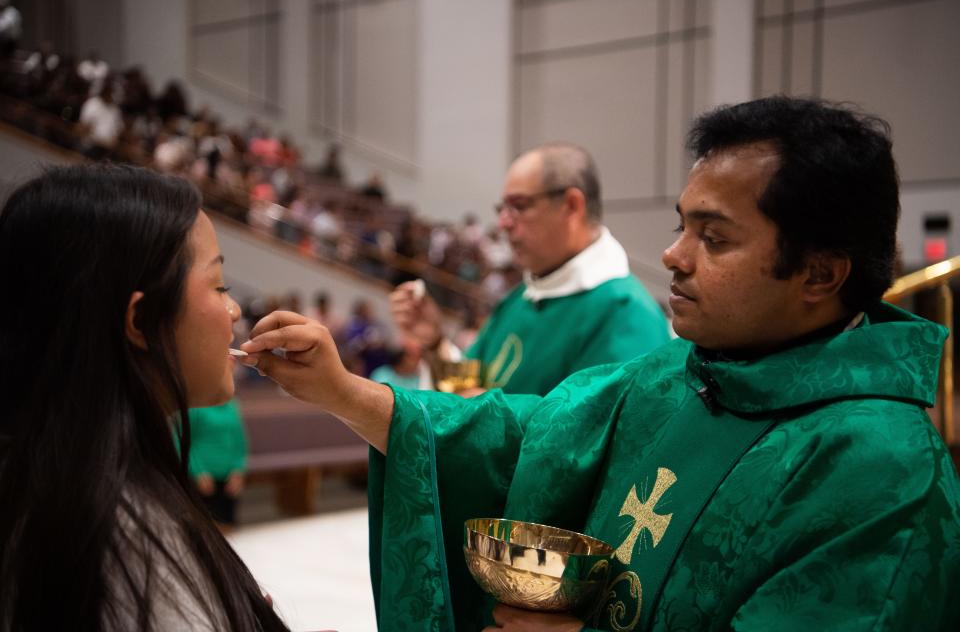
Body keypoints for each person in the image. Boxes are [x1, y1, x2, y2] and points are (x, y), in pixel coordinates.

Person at [241, 97, 960, 631]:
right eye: (683, 225)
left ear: (820, 274)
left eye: (714, 238)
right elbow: (531, 436)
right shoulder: (683, 372)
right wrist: (344, 392)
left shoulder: (882, 471)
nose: (674, 256)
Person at [0, 165, 288, 631]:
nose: (234, 310)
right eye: (219, 287)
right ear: (141, 319)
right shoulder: (118, 530)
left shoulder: (70, 480)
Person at [390, 142, 670, 395]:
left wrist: (480, 412)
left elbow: (592, 439)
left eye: (519, 207)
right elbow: (473, 381)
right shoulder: (521, 298)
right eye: (502, 208)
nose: (503, 223)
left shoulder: (625, 314)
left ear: (572, 206)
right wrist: (435, 344)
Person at [185, 399, 248, 529]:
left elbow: (239, 441)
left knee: (228, 525)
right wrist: (198, 472)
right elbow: (183, 442)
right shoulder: (194, 407)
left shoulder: (231, 406)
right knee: (206, 528)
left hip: (228, 477)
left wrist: (238, 470)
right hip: (203, 477)